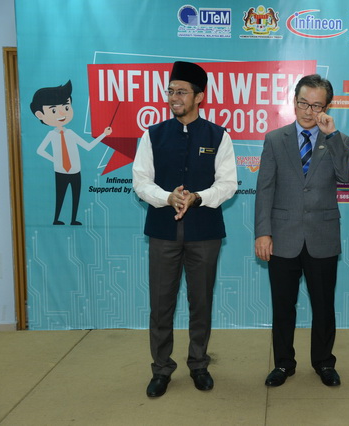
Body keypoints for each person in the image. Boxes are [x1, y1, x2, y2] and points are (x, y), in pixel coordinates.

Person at [132, 61, 237, 398]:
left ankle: (199, 365)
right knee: (160, 304)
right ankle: (161, 369)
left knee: (201, 303)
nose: (174, 97)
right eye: (170, 91)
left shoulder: (218, 136)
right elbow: (141, 181)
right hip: (163, 232)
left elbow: (228, 184)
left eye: (181, 92)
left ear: (199, 97)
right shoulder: (153, 134)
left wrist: (197, 198)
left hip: (205, 233)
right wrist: (168, 197)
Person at [255, 74, 349, 387]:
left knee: (323, 306)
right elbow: (265, 189)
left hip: (322, 237)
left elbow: (348, 177)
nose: (309, 111)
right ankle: (283, 364)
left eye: (317, 105)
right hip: (283, 236)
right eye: (303, 103)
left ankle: (324, 363)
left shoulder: (338, 139)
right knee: (283, 306)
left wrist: (332, 135)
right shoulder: (275, 139)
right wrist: (262, 232)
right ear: (294, 101)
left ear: (327, 107)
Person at [31, 80, 112, 225]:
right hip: (60, 171)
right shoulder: (51, 135)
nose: (62, 113)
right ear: (39, 115)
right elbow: (40, 150)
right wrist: (55, 159)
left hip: (75, 171)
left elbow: (88, 146)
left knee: (76, 195)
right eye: (53, 110)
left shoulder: (70, 133)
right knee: (60, 196)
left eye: (66, 107)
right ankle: (56, 219)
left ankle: (73, 219)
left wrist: (103, 135)